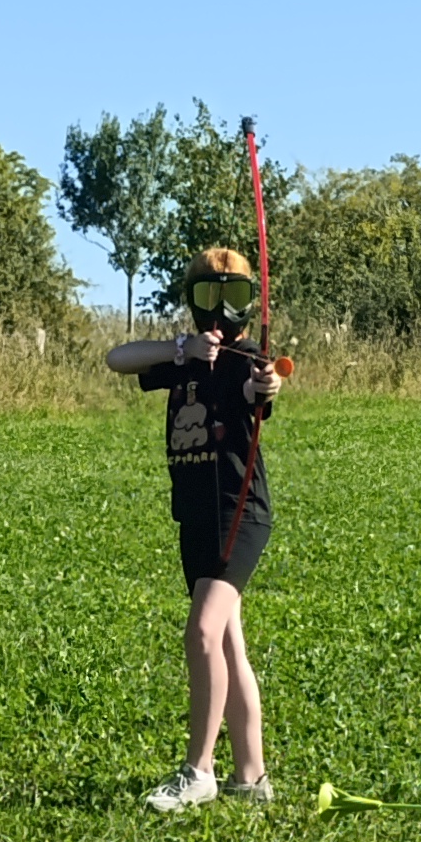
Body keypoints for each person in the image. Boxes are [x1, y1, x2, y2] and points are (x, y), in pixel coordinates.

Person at [103, 249, 285, 813]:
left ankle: (199, 770)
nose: (221, 313)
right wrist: (183, 348)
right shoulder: (183, 357)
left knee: (202, 634)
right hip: (196, 515)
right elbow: (118, 357)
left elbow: (263, 387)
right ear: (193, 298)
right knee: (229, 643)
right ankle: (251, 777)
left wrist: (266, 386)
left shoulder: (244, 358)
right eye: (210, 296)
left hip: (238, 511)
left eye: (234, 298)